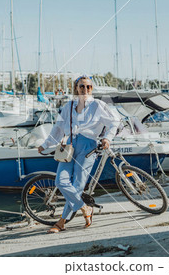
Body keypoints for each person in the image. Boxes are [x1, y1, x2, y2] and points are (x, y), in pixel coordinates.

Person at [38, 75, 121, 233]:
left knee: (77, 185)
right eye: (82, 86)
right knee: (60, 181)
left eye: (88, 87)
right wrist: (45, 144)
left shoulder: (98, 105)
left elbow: (114, 122)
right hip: (69, 145)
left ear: (92, 89)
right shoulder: (69, 106)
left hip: (87, 145)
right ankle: (84, 208)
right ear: (76, 88)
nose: (85, 89)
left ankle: (61, 222)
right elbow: (58, 128)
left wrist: (107, 139)